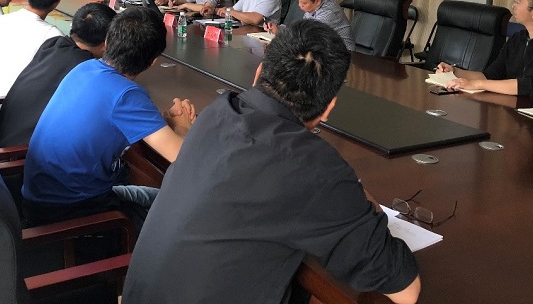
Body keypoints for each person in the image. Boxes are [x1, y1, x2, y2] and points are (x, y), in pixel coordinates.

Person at [123, 21, 420, 304]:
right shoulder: (315, 170)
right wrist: (355, 197)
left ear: (259, 73)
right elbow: (407, 292)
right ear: (328, 108)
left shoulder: (219, 111)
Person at [21, 7, 195, 231]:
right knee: (180, 211)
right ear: (153, 61)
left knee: (145, 188)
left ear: (107, 41)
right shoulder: (127, 96)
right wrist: (182, 127)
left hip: (39, 197)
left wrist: (162, 122)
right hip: (69, 209)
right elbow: (183, 159)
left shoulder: (84, 68)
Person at [0, 2, 117, 148]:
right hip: (22, 154)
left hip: (1, 140)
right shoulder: (87, 68)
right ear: (107, 43)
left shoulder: (53, 44)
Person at [265, 0, 355, 50]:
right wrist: (279, 29)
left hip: (343, 54)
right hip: (324, 48)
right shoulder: (315, 6)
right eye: (298, 1)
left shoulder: (328, 13)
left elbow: (307, 36)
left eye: (304, 3)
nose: (300, 5)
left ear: (317, 1)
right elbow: (301, 29)